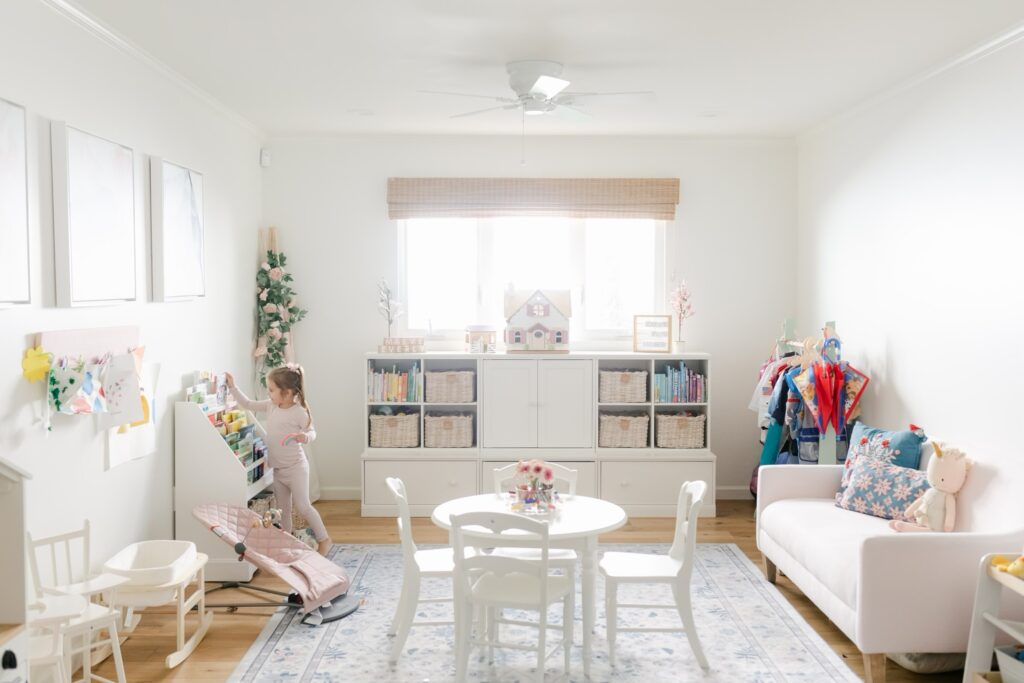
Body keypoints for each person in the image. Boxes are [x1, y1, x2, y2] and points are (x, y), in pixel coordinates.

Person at [225, 365, 332, 556]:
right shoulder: (271, 405)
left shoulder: (299, 412)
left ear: (287, 393)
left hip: (296, 468)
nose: (269, 393)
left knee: (303, 506)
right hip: (278, 470)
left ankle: (324, 539)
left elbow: (312, 432)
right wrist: (233, 387)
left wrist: (304, 437)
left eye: (272, 390)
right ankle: (286, 542)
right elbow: (248, 404)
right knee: (283, 510)